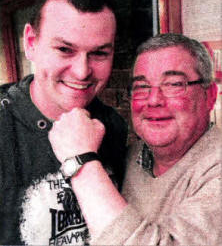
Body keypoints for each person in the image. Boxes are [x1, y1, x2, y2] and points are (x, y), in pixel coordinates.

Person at [49, 33, 222, 245]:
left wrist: (80, 161)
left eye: (174, 84)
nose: (153, 100)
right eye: (141, 87)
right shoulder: (131, 155)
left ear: (210, 95)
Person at [0, 0, 127, 245]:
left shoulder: (112, 124)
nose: (82, 71)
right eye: (65, 50)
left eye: (99, 53)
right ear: (31, 43)